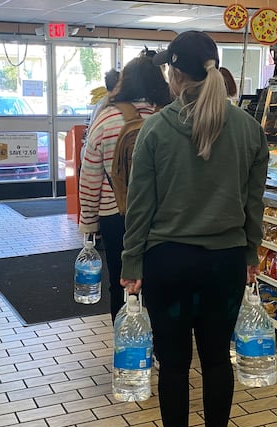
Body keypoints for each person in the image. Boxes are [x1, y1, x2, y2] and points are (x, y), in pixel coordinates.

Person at [120, 31, 268, 427]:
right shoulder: (247, 127)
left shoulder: (157, 129)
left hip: (168, 262)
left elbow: (140, 206)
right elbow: (253, 203)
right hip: (224, 262)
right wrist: (250, 252)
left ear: (175, 72)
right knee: (217, 362)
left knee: (175, 361)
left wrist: (131, 265)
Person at [78, 55, 171, 322]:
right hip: (162, 216)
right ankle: (159, 341)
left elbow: (91, 174)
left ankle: (126, 343)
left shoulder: (106, 118)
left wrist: (89, 222)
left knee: (121, 280)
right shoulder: (168, 115)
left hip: (115, 214)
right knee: (158, 280)